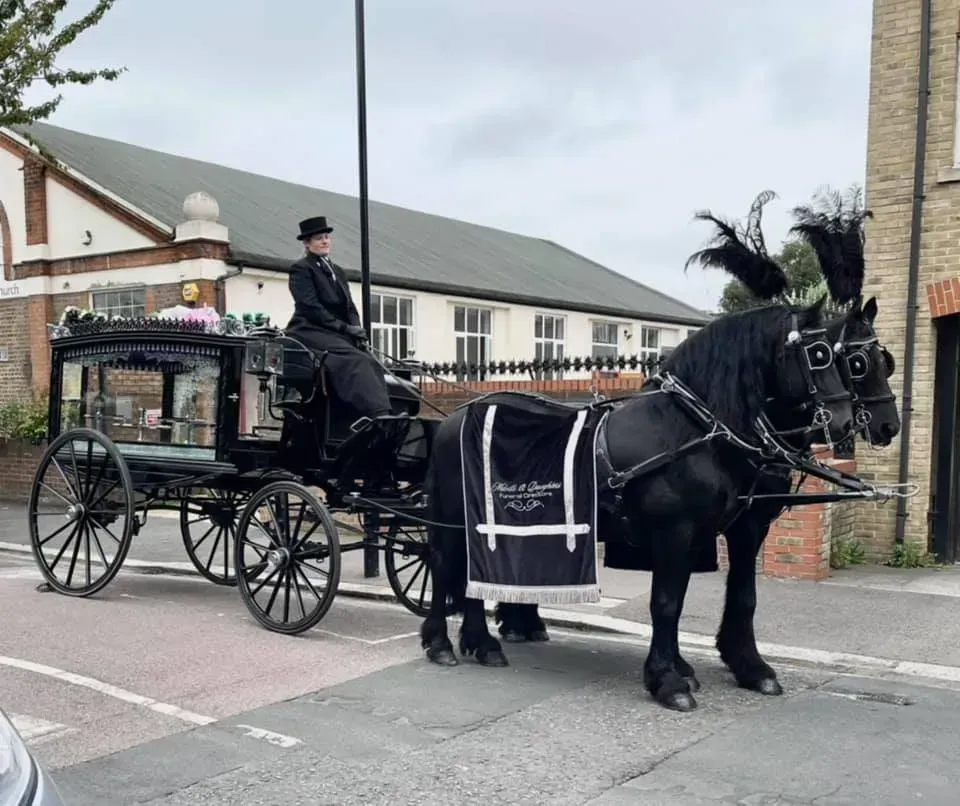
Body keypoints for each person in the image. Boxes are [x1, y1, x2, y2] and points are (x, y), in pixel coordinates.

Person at [284, 215, 393, 419]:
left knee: (371, 361)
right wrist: (344, 329)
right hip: (308, 329)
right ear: (307, 244)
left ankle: (381, 412)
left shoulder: (337, 271)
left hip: (334, 331)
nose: (325, 241)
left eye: (326, 237)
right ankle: (378, 415)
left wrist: (356, 329)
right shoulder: (301, 269)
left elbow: (349, 306)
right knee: (355, 360)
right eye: (319, 238)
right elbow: (311, 308)